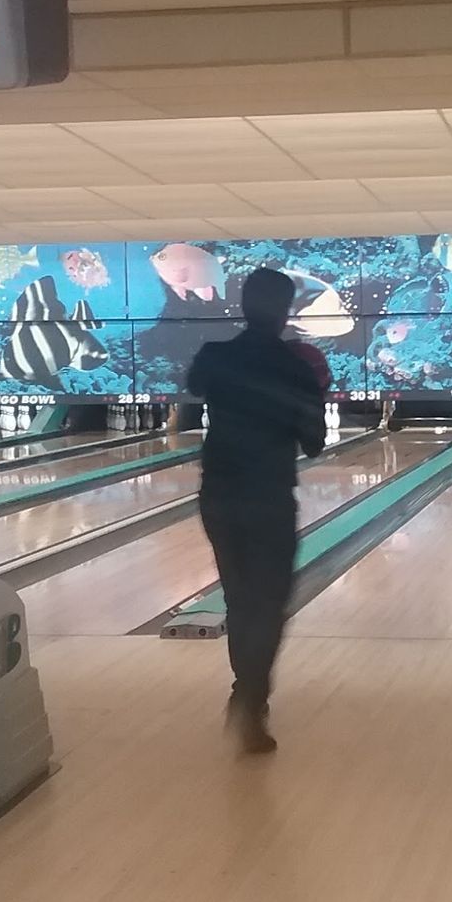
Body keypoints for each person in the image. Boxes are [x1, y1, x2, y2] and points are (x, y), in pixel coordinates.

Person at [187, 268, 327, 753]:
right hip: (269, 498)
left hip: (220, 496)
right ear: (287, 311)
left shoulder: (215, 355)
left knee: (240, 601)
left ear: (242, 305)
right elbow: (314, 443)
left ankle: (245, 694)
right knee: (268, 606)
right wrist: (314, 389)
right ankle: (250, 700)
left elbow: (195, 386)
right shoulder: (296, 367)